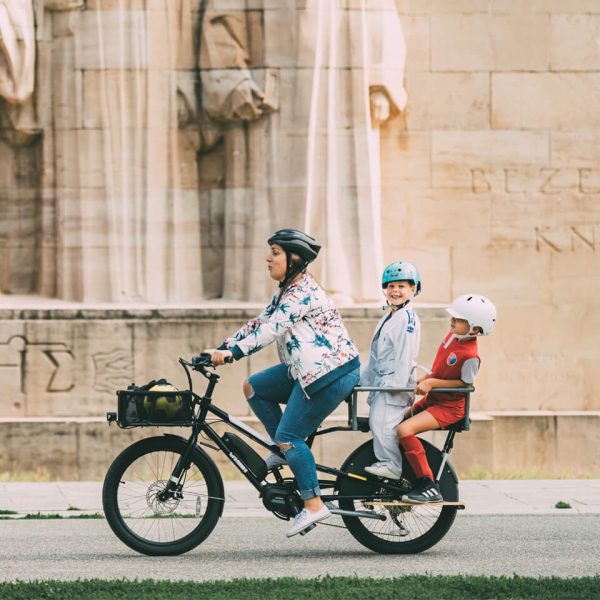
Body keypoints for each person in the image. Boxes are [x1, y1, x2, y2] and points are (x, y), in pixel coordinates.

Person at [203, 229, 360, 537]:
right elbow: (259, 323)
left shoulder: (302, 293)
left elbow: (271, 330)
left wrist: (232, 353)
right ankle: (284, 448)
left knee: (291, 435)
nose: (268, 258)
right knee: (254, 388)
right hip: (305, 369)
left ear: (294, 259)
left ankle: (313, 504)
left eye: (275, 252)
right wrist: (222, 346)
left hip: (331, 372)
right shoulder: (286, 290)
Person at [397, 294, 497, 503]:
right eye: (454, 317)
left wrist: (432, 383)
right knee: (397, 420)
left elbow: (465, 385)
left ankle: (428, 486)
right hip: (435, 399)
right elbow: (440, 368)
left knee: (404, 430)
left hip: (450, 407)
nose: (453, 321)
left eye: (460, 320)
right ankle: (405, 472)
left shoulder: (470, 357)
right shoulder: (452, 336)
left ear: (475, 329)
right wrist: (424, 379)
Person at [361, 261, 421, 480]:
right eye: (391, 286)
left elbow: (405, 356)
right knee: (377, 422)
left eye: (402, 286)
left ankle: (391, 465)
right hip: (382, 382)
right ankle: (386, 462)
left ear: (413, 289)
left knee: (383, 424)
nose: (395, 291)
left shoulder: (407, 319)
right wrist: (363, 381)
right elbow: (376, 354)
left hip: (393, 385)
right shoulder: (391, 315)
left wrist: (395, 386)